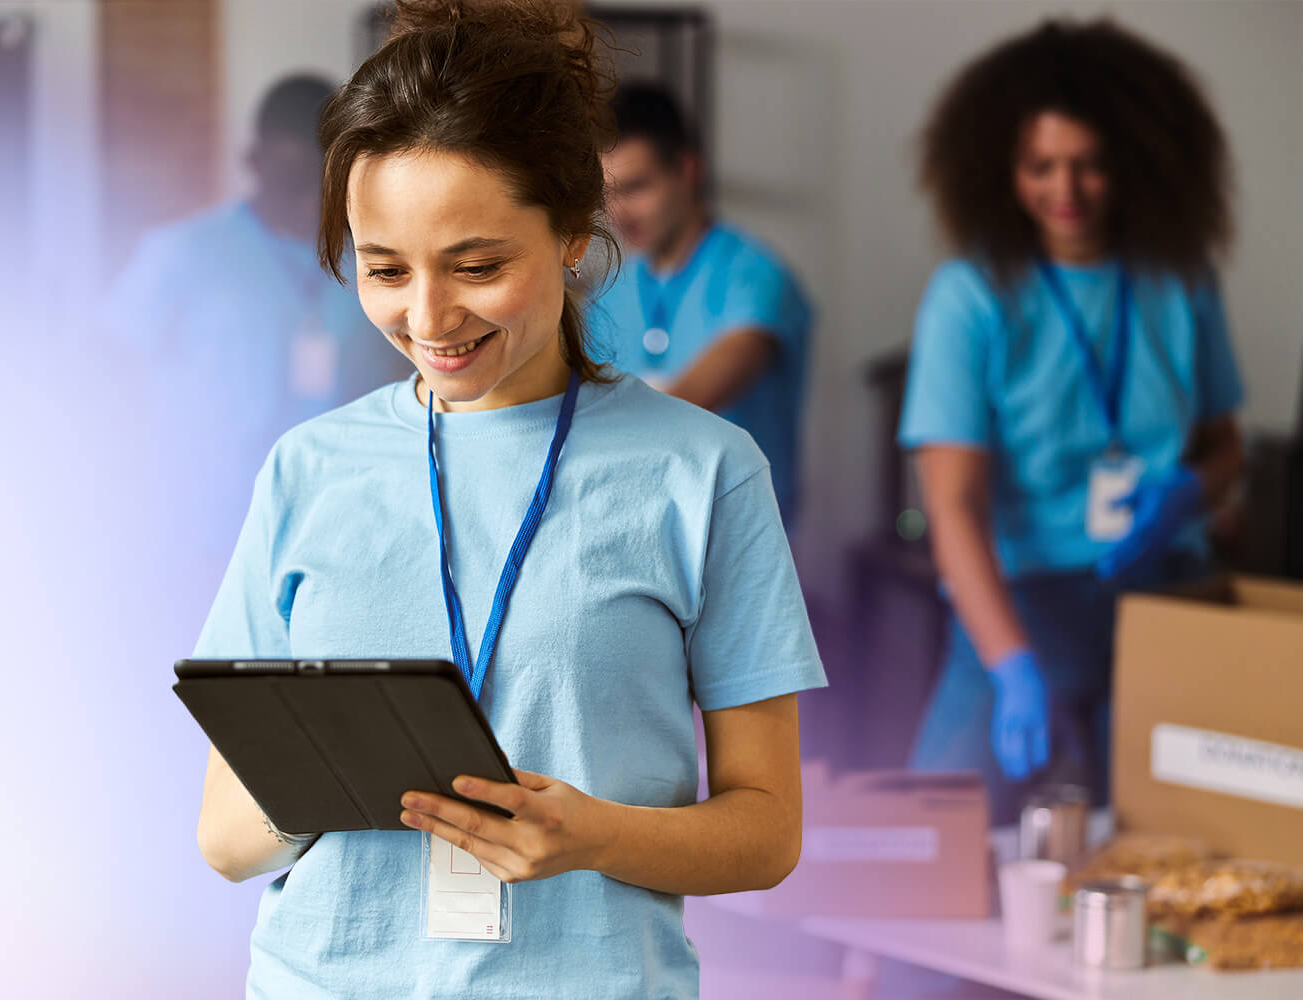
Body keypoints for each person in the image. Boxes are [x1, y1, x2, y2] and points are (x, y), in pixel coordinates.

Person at [190, 3, 826, 998]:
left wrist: (595, 835)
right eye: (385, 269)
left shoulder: (703, 472)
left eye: (478, 266)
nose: (430, 318)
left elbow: (766, 831)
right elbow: (226, 840)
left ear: (574, 229)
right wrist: (350, 767)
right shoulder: (307, 469)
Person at [898, 19, 1245, 823]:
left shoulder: (1180, 278)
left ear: (1133, 162)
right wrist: (1011, 663)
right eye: (1042, 166)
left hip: (1163, 601)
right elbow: (952, 506)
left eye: (1090, 164)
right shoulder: (971, 295)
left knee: (1166, 848)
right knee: (928, 842)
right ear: (1002, 170)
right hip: (1018, 603)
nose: (1068, 189)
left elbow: (1226, 447)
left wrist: (1190, 492)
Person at [105, 74, 409, 558]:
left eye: (323, 183)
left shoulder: (379, 264)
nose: (309, 201)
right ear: (254, 162)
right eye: (292, 183)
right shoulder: (184, 254)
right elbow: (104, 373)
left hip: (341, 532)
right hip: (202, 534)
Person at [592, 83, 812, 529]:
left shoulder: (753, 277)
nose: (619, 212)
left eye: (636, 187)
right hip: (639, 533)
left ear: (688, 170)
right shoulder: (610, 293)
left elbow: (692, 398)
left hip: (740, 539)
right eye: (608, 192)